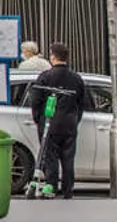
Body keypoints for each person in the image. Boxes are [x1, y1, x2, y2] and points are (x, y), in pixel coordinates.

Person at [29, 43, 89, 199]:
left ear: (53, 57)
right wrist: (75, 119)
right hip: (69, 124)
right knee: (68, 158)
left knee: (51, 157)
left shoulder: (45, 77)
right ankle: (68, 190)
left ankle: (52, 187)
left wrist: (38, 119)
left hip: (50, 124)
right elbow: (82, 103)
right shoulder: (76, 79)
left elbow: (35, 100)